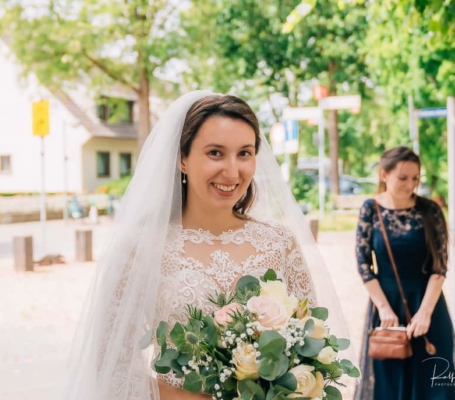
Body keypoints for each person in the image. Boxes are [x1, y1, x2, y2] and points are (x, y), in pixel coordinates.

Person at [64, 91, 354, 399]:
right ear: (183, 159)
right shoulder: (141, 247)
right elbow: (112, 365)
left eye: (244, 153)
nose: (232, 171)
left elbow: (311, 342)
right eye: (215, 153)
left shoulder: (279, 242)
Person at [354, 146, 455, 400]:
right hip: (386, 306)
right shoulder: (370, 209)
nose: (410, 184)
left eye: (415, 178)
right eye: (403, 178)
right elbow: (363, 263)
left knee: (436, 385)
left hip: (428, 303)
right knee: (390, 385)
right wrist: (384, 308)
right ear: (384, 175)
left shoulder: (430, 210)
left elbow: (439, 266)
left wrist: (425, 313)